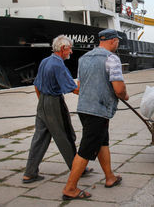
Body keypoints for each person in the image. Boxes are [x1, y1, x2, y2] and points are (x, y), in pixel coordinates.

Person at [62, 29, 129, 200]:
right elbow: (119, 88)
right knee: (86, 149)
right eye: (118, 41)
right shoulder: (112, 59)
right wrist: (124, 95)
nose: (118, 44)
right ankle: (70, 189)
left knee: (102, 142)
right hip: (98, 111)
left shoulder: (83, 58)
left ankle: (110, 177)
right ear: (113, 41)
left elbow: (79, 85)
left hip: (84, 108)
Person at [22, 35, 92, 183]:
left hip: (42, 102)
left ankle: (29, 173)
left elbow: (36, 85)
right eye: (70, 49)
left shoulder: (45, 61)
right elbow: (74, 89)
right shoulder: (58, 65)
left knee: (39, 138)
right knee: (66, 135)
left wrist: (43, 104)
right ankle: (78, 169)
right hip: (54, 103)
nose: (71, 52)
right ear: (62, 49)